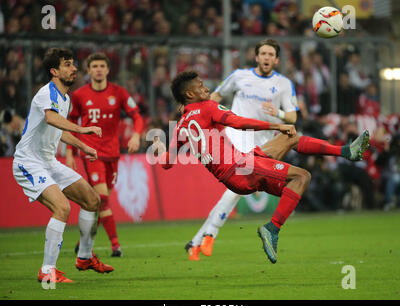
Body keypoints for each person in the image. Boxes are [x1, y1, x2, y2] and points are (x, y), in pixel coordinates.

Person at [151, 71, 370, 264]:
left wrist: (159, 147)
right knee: (302, 177)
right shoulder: (207, 107)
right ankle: (272, 228)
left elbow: (167, 163)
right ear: (190, 94)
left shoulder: (180, 126)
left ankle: (345, 152)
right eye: (200, 86)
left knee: (290, 139)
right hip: (241, 169)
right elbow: (237, 123)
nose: (206, 88)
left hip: (239, 166)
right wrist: (275, 124)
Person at [185, 39, 299, 261]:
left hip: (263, 143)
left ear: (276, 59)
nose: (266, 57)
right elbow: (215, 96)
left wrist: (279, 113)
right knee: (237, 187)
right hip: (236, 138)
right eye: (263, 53)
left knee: (236, 190)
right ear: (256, 57)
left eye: (271, 54)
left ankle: (197, 240)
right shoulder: (239, 76)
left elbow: (293, 116)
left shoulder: (284, 84)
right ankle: (209, 233)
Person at [12, 48, 114, 283]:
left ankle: (85, 258)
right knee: (63, 208)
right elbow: (52, 119)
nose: (74, 68)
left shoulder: (65, 98)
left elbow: (58, 129)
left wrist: (83, 146)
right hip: (29, 162)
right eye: (67, 64)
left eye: (73, 63)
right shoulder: (46, 93)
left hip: (48, 162)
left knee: (92, 200)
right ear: (54, 71)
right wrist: (83, 128)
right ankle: (47, 271)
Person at [66, 52, 144, 257]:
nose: (98, 69)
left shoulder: (118, 93)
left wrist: (136, 136)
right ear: (89, 70)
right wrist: (70, 152)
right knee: (102, 199)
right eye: (95, 66)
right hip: (91, 153)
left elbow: (137, 116)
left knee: (100, 203)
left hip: (113, 154)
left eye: (102, 66)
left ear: (108, 70)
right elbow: (72, 124)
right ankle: (115, 246)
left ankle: (83, 241)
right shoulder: (80, 95)